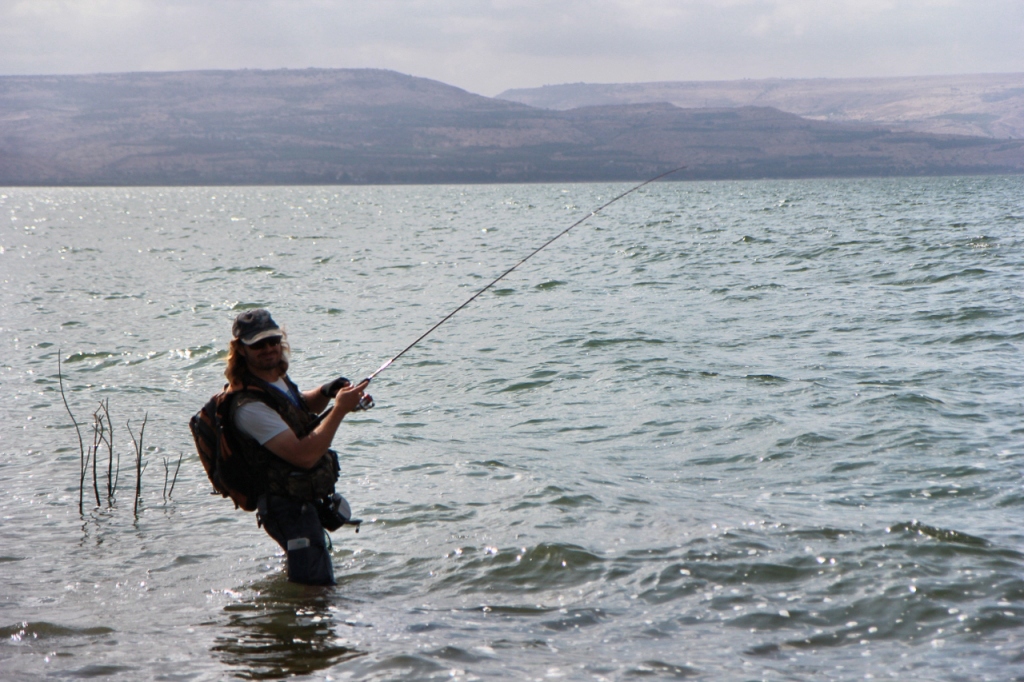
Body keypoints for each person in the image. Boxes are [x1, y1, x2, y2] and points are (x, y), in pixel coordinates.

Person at [224, 308, 369, 586]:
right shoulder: (248, 407)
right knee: (315, 587)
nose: (268, 349)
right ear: (241, 350)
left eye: (273, 341)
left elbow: (297, 404)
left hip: (301, 501)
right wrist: (340, 410)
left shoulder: (272, 379)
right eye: (258, 344)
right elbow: (304, 456)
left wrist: (328, 391)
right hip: (285, 509)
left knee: (310, 578)